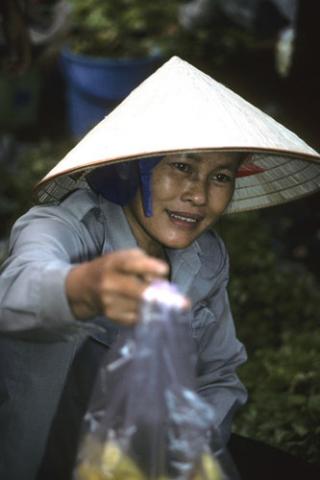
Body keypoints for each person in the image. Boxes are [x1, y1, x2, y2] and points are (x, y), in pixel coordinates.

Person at [0, 56, 319, 480]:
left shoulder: (205, 259)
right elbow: (17, 288)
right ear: (133, 171)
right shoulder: (65, 227)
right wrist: (84, 287)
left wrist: (185, 455)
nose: (199, 195)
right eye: (182, 167)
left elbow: (219, 374)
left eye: (220, 176)